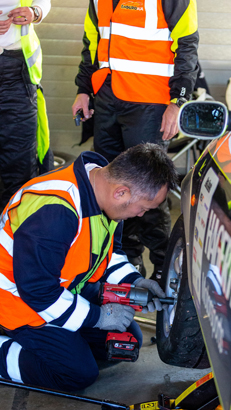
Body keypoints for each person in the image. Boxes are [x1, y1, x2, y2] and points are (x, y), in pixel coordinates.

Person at [0, 143, 178, 392]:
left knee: (125, 342)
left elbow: (109, 252)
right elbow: (37, 290)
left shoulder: (103, 192)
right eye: (144, 208)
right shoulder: (55, 211)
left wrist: (134, 282)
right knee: (76, 373)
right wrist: (98, 317)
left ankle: (63, 336)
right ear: (122, 193)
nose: (140, 215)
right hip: (18, 299)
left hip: (65, 286)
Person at [71, 0, 199, 280]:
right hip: (107, 100)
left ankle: (164, 266)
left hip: (149, 104)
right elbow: (91, 43)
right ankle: (122, 260)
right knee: (110, 184)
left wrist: (178, 101)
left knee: (147, 185)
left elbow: (187, 45)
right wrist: (83, 89)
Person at [0, 0, 53, 210]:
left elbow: (42, 2)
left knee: (20, 164)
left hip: (17, 75)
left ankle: (12, 237)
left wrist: (35, 12)